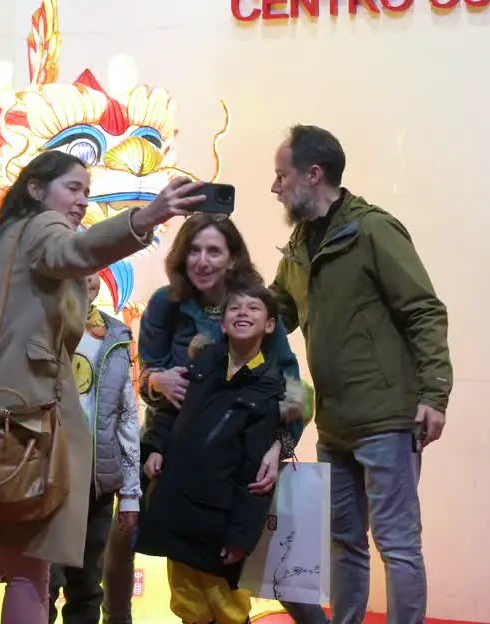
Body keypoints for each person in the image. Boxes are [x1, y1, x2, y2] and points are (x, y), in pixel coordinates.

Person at [0, 150, 204, 624]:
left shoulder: (8, 236)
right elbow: (74, 252)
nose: (82, 200)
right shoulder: (43, 227)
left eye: (87, 191)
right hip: (29, 424)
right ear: (38, 189)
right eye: (74, 188)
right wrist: (147, 217)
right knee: (28, 569)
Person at [268, 124, 452, 624]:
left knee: (397, 544)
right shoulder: (301, 243)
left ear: (313, 173)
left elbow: (424, 311)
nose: (275, 186)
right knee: (344, 542)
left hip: (387, 419)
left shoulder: (373, 230)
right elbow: (274, 313)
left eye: (281, 175)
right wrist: (216, 310)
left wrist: (435, 393)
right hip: (335, 424)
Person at [136, 214, 327, 624]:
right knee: (183, 583)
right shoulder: (164, 306)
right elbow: (147, 378)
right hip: (180, 461)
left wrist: (279, 446)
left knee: (259, 578)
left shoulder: (255, 305)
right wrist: (156, 382)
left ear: (232, 258)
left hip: (239, 465)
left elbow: (295, 392)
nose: (202, 261)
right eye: (194, 250)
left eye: (214, 251)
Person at [135, 285, 288, 624]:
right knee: (186, 599)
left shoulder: (271, 384)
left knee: (227, 603)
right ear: (221, 324)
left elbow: (256, 475)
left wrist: (241, 536)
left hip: (222, 519)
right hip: (179, 506)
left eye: (253, 308)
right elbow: (169, 411)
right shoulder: (202, 362)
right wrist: (155, 447)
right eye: (235, 308)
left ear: (270, 325)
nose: (243, 313)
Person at [48, 273, 141, 624]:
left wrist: (130, 494)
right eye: (75, 269)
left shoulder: (116, 334)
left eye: (93, 271)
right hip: (50, 478)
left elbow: (127, 416)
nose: (85, 279)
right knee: (43, 583)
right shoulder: (43, 325)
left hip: (97, 483)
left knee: (87, 586)